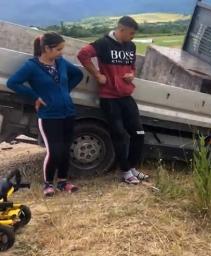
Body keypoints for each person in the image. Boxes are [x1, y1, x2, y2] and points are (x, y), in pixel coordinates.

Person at [7, 33, 83, 197]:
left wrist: (63, 91)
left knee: (65, 150)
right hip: (49, 116)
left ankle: (63, 182)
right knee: (54, 151)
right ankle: (48, 184)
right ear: (46, 49)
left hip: (68, 112)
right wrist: (35, 96)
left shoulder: (61, 62)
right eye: (58, 49)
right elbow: (12, 82)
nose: (61, 53)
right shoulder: (31, 66)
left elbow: (78, 75)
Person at [77, 16, 148, 184]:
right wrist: (97, 75)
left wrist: (131, 75)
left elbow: (132, 67)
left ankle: (132, 167)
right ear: (121, 30)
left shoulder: (131, 46)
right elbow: (83, 55)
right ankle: (124, 172)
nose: (132, 37)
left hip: (126, 96)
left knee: (139, 133)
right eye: (131, 33)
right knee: (120, 135)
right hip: (109, 98)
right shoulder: (103, 43)